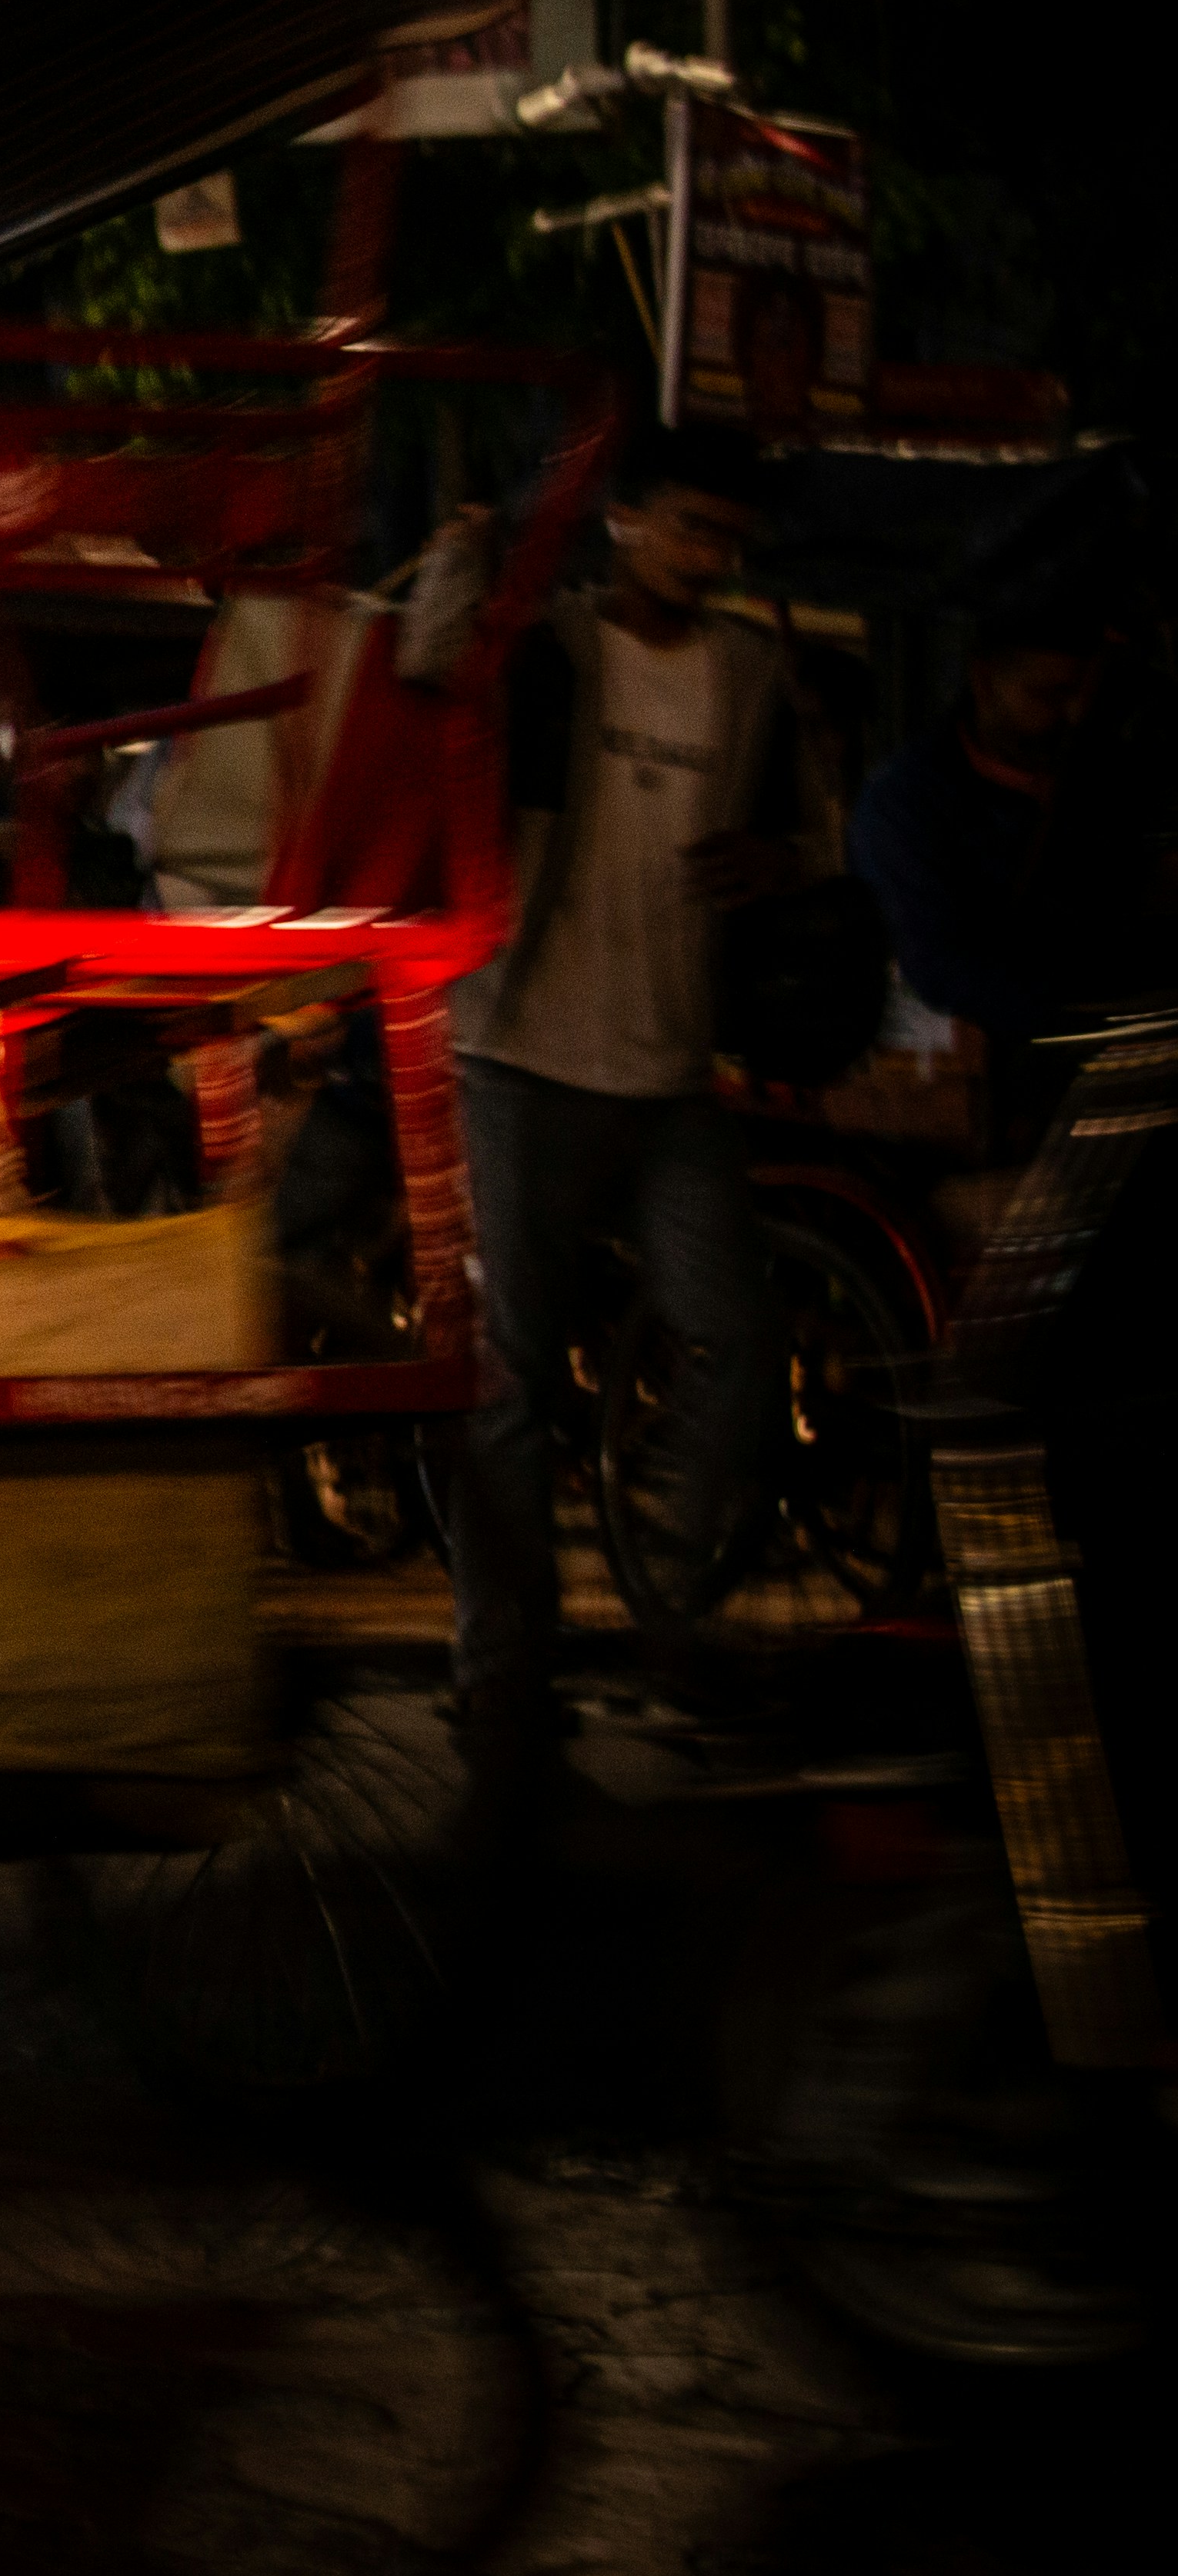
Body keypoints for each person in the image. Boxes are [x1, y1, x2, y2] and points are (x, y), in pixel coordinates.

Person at [439, 422, 810, 1758]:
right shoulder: (550, 648)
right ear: (626, 522)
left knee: (742, 1341)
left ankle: (676, 1606)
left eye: (728, 538)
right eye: (691, 529)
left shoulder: (755, 674)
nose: (710, 557)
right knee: (508, 1381)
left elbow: (800, 832)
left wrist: (773, 860)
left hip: (669, 1070)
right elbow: (448, 715)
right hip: (520, 1053)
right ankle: (502, 1669)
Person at [853, 590, 1159, 1122]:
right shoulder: (907, 803)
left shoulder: (1107, 777)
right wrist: (1079, 1027)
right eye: (1049, 695)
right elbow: (936, 964)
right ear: (985, 680)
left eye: (1084, 694)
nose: (1073, 714)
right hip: (995, 1082)